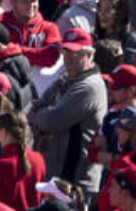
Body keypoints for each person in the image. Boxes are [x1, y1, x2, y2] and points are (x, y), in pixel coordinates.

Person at [28, 29, 108, 194]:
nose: (69, 57)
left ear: (89, 55)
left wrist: (40, 115)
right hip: (57, 174)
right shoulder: (65, 79)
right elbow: (33, 108)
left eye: (76, 52)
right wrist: (40, 114)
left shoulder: (90, 86)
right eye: (66, 51)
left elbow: (51, 121)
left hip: (76, 180)